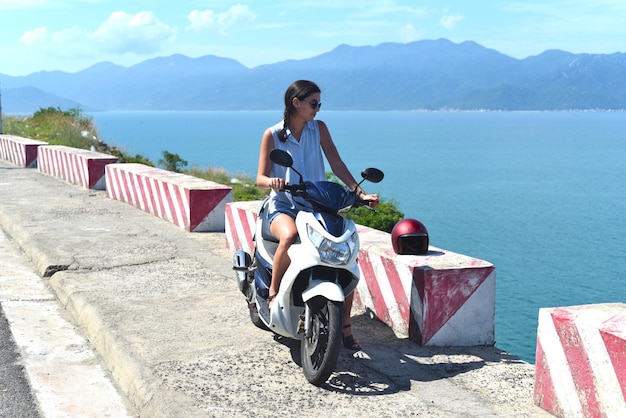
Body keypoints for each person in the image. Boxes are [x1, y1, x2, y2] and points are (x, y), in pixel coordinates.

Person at [256, 80, 379, 350]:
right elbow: (260, 177)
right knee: (288, 236)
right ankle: (273, 293)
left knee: (345, 256)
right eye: (314, 104)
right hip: (284, 204)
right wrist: (273, 183)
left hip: (316, 205)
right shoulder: (273, 134)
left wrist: (358, 193)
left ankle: (344, 325)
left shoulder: (318, 129)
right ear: (296, 103)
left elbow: (336, 162)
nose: (318, 109)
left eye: (320, 104)